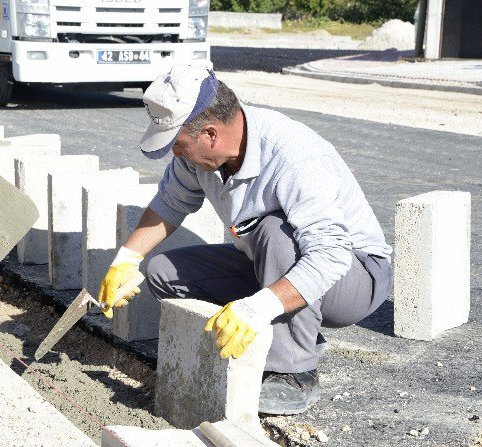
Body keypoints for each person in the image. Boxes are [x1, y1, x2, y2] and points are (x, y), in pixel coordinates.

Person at [97, 65, 393, 415]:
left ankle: (294, 375)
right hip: (270, 262)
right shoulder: (199, 156)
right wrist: (126, 260)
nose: (176, 155)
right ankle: (294, 331)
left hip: (353, 278)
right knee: (164, 271)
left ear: (210, 134)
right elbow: (169, 203)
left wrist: (258, 307)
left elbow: (329, 256)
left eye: (179, 146)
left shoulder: (293, 155)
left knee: (274, 231)